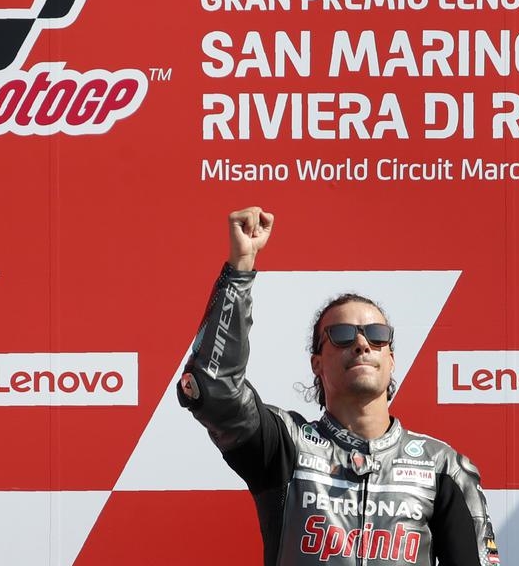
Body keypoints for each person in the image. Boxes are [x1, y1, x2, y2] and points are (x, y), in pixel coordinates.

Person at [177, 206, 500, 566]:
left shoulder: (442, 467)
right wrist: (240, 268)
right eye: (342, 335)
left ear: (391, 359)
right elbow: (214, 386)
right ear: (317, 363)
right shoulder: (286, 446)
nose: (362, 344)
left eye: (377, 335)